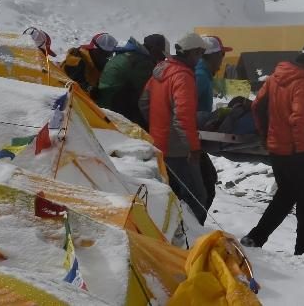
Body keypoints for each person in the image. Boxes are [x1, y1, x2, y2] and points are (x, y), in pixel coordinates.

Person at [241, 42, 304, 254]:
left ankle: (255, 238)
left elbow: (257, 105)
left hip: (276, 150)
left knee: (286, 196)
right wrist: (300, 149)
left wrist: (265, 135)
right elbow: (299, 119)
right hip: (294, 151)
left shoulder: (274, 78)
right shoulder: (303, 84)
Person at [139, 33, 208, 223]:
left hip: (159, 143)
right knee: (197, 197)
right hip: (179, 149)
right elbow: (183, 118)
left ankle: (175, 235)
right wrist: (193, 148)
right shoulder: (183, 77)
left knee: (172, 195)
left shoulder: (160, 70)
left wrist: (157, 126)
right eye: (199, 54)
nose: (199, 59)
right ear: (193, 52)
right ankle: (191, 240)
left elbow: (144, 103)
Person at [97, 34, 166, 127]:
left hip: (103, 100)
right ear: (154, 50)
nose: (162, 59)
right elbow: (149, 89)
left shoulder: (130, 53)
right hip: (113, 108)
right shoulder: (141, 61)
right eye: (161, 55)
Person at [197, 35, 232, 212]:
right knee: (205, 188)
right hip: (189, 140)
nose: (222, 60)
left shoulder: (203, 75)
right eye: (221, 55)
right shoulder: (200, 77)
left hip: (193, 138)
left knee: (208, 181)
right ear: (211, 56)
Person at [63, 32, 119, 97]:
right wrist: (90, 89)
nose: (107, 58)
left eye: (110, 54)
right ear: (96, 50)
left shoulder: (99, 62)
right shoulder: (78, 60)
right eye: (105, 54)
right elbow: (74, 83)